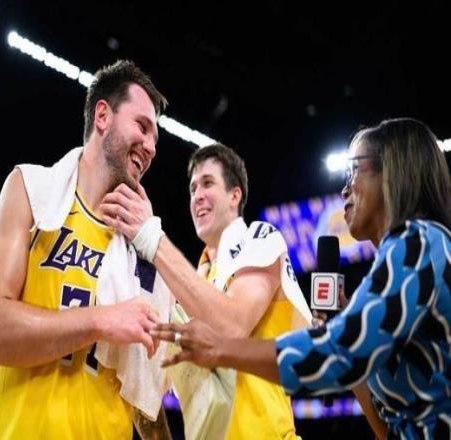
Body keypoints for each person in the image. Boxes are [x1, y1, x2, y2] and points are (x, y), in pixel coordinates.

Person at [151, 118, 451, 439]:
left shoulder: (421, 242)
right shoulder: (399, 260)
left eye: (354, 170)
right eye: (192, 188)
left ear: (391, 171)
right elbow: (384, 426)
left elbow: (339, 352)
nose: (344, 188)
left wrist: (220, 348)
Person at [0, 59, 173, 439]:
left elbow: (143, 392)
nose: (150, 147)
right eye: (142, 127)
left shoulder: (143, 252)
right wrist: (99, 320)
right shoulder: (31, 191)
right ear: (102, 116)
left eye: (155, 139)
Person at [101, 143, 313, 439]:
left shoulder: (259, 238)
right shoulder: (191, 286)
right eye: (192, 188)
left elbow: (232, 327)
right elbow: (145, 386)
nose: (197, 195)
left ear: (235, 195)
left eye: (208, 183)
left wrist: (150, 237)